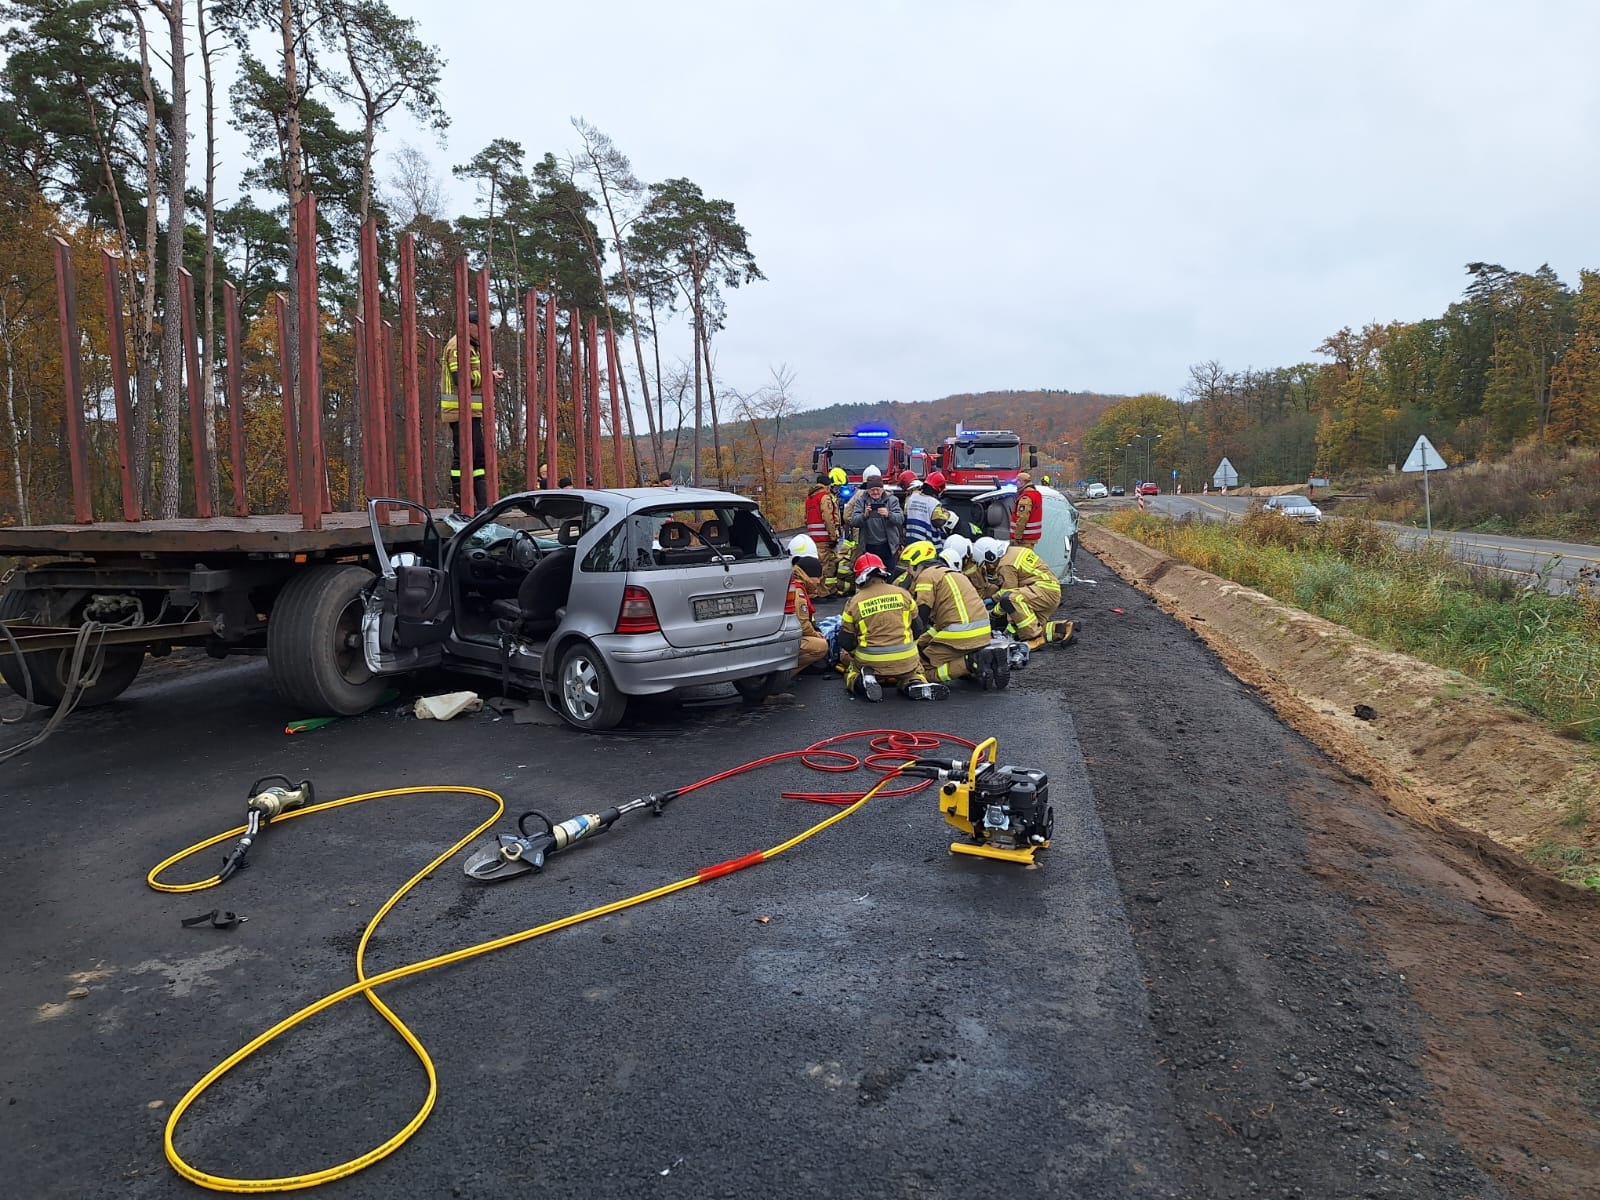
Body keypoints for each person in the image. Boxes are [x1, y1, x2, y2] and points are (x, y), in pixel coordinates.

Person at [837, 553, 947, 702]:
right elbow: (918, 628)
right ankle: (914, 683)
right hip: (905, 660)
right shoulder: (904, 594)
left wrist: (854, 653)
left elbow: (846, 640)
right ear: (883, 573)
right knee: (915, 672)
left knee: (851, 672)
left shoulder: (854, 602)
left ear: (859, 578)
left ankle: (862, 682)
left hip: (870, 662)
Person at [900, 540, 1008, 689]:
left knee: (921, 668)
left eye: (908, 566)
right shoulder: (954, 574)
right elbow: (943, 623)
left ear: (917, 565)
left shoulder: (925, 577)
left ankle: (970, 663)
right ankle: (983, 663)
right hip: (982, 632)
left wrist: (904, 642)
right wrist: (922, 642)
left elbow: (921, 618)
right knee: (932, 647)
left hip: (959, 634)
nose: (907, 571)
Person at [439, 306, 503, 512]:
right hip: (460, 411)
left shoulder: (470, 346)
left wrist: (488, 374)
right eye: (482, 327)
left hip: (470, 411)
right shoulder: (458, 346)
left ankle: (482, 505)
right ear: (469, 326)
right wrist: (488, 376)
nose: (486, 333)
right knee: (465, 456)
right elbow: (461, 378)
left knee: (477, 456)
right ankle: (463, 505)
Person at [973, 536, 1074, 650]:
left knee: (1010, 600)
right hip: (1048, 592)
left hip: (1043, 592)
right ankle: (1063, 628)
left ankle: (1034, 639)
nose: (988, 567)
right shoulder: (1016, 551)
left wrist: (993, 612)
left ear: (991, 557)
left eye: (986, 563)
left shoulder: (1005, 564)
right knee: (1026, 628)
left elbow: (1007, 594)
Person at [845, 464, 904, 566]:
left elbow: (900, 519)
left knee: (889, 571)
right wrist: (864, 515)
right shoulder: (861, 501)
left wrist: (888, 514)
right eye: (872, 490)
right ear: (868, 490)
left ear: (882, 489)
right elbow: (853, 520)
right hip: (868, 546)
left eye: (878, 489)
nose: (875, 492)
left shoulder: (892, 500)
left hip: (888, 546)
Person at [786, 535, 829, 674]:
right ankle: (784, 673)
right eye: (818, 578)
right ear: (810, 576)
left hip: (787, 635)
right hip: (789, 638)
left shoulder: (792, 583)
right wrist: (816, 635)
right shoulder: (799, 592)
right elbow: (803, 623)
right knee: (821, 646)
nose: (819, 582)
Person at [803, 470, 847, 596]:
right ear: (827, 485)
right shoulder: (825, 497)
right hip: (825, 538)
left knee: (819, 564)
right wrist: (833, 536)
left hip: (814, 538)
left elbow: (806, 519)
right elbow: (828, 518)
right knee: (826, 566)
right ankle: (822, 592)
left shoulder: (809, 498)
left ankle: (825, 590)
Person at [904, 469, 956, 549]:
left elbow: (905, 515)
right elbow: (939, 522)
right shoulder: (934, 503)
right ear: (939, 489)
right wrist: (947, 513)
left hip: (911, 545)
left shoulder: (911, 498)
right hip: (928, 548)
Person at [1011, 470, 1043, 548]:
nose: (1016, 485)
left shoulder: (1026, 497)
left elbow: (1022, 518)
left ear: (1022, 482)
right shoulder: (1036, 494)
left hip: (1024, 540)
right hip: (1029, 538)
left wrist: (1017, 536)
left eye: (1017, 482)